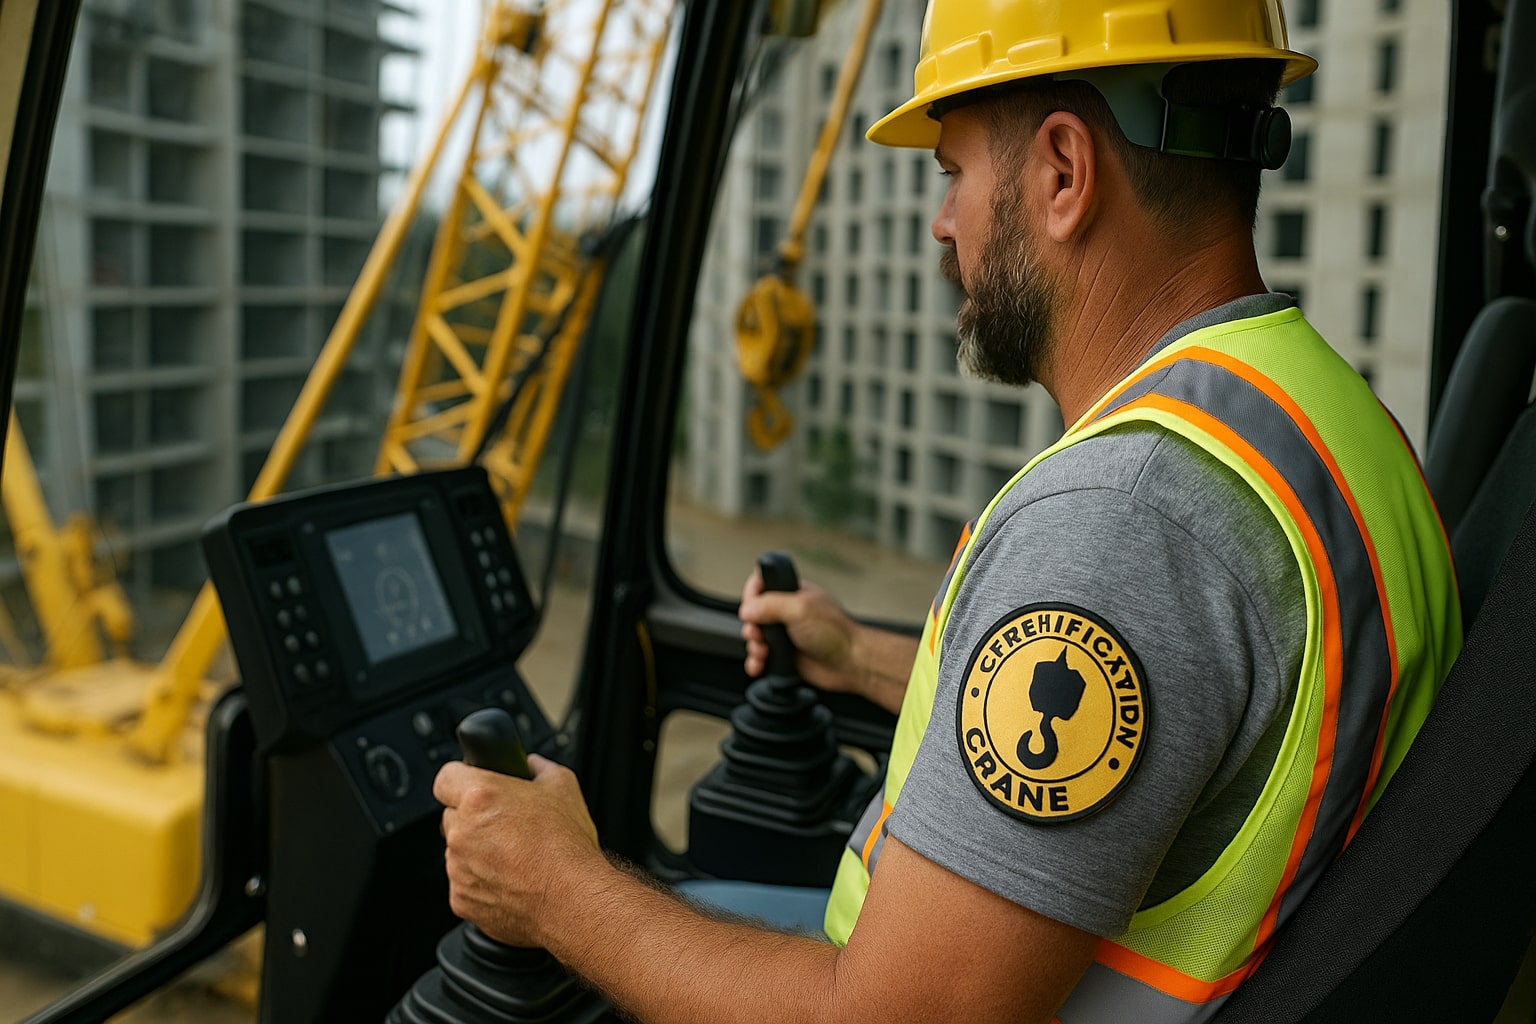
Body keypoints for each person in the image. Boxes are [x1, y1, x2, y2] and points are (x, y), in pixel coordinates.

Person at [433, 2, 1462, 1020]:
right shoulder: (1322, 412)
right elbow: (1199, 717)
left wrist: (552, 884)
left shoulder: (1118, 520)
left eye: (954, 172)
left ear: (1063, 173)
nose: (942, 222)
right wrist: (860, 655)